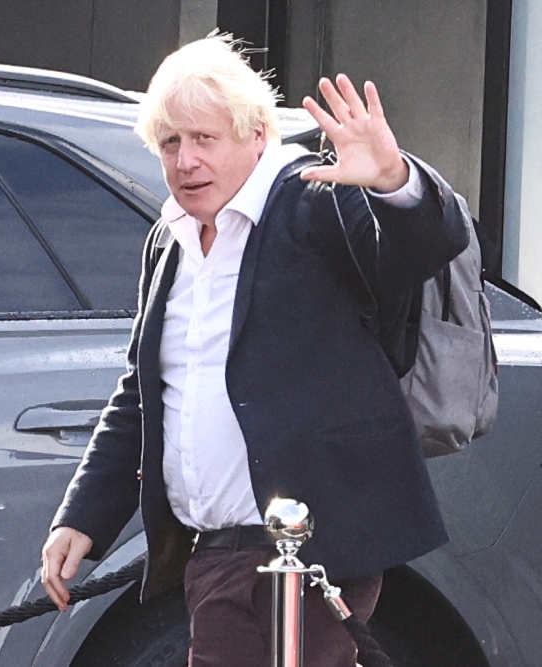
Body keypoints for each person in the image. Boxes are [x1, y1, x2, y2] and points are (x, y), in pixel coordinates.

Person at [40, 34, 468, 667]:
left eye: (205, 139)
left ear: (257, 135)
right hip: (215, 550)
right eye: (170, 143)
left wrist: (392, 181)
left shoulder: (311, 199)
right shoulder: (170, 237)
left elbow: (422, 245)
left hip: (307, 550)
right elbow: (144, 388)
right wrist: (85, 515)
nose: (185, 161)